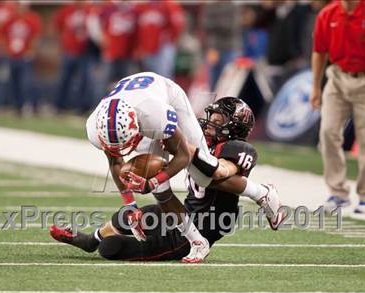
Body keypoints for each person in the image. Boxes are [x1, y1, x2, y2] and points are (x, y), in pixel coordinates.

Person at [51, 97, 284, 261]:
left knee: (111, 248)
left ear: (236, 125)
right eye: (211, 115)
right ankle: (89, 241)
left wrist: (185, 150)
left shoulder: (237, 147)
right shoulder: (205, 145)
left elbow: (221, 171)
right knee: (127, 216)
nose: (211, 121)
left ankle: (262, 193)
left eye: (219, 119)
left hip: (205, 225)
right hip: (185, 211)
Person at [310, 0, 365, 214]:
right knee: (327, 131)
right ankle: (338, 193)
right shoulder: (327, 14)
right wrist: (315, 87)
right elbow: (319, 51)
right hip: (337, 77)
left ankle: (364, 196)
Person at [53, 1, 96, 113]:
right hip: (69, 51)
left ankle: (82, 107)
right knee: (64, 80)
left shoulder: (90, 11)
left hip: (85, 52)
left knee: (85, 81)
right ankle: (60, 105)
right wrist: (61, 44)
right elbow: (58, 27)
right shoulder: (67, 10)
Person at [0, 2, 42, 116]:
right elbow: (2, 35)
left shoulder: (32, 19)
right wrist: (6, 50)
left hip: (25, 56)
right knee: (14, 83)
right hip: (13, 56)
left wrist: (31, 50)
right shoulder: (10, 19)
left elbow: (36, 36)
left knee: (27, 83)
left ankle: (32, 105)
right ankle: (18, 107)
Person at [135, 0, 185, 78]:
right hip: (147, 47)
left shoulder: (169, 5)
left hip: (163, 46)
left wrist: (172, 39)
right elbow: (140, 30)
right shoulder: (143, 7)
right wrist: (140, 47)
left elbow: (177, 25)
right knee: (149, 77)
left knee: (164, 76)